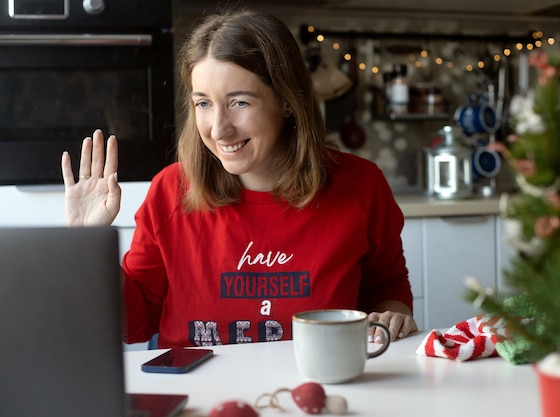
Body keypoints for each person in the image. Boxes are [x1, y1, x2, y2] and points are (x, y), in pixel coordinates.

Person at [61, 8, 417, 348]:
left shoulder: (360, 185)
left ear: (288, 101)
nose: (219, 129)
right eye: (203, 103)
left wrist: (392, 319)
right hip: (201, 395)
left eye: (239, 103)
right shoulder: (170, 191)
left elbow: (388, 290)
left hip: (316, 393)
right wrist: (87, 246)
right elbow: (135, 329)